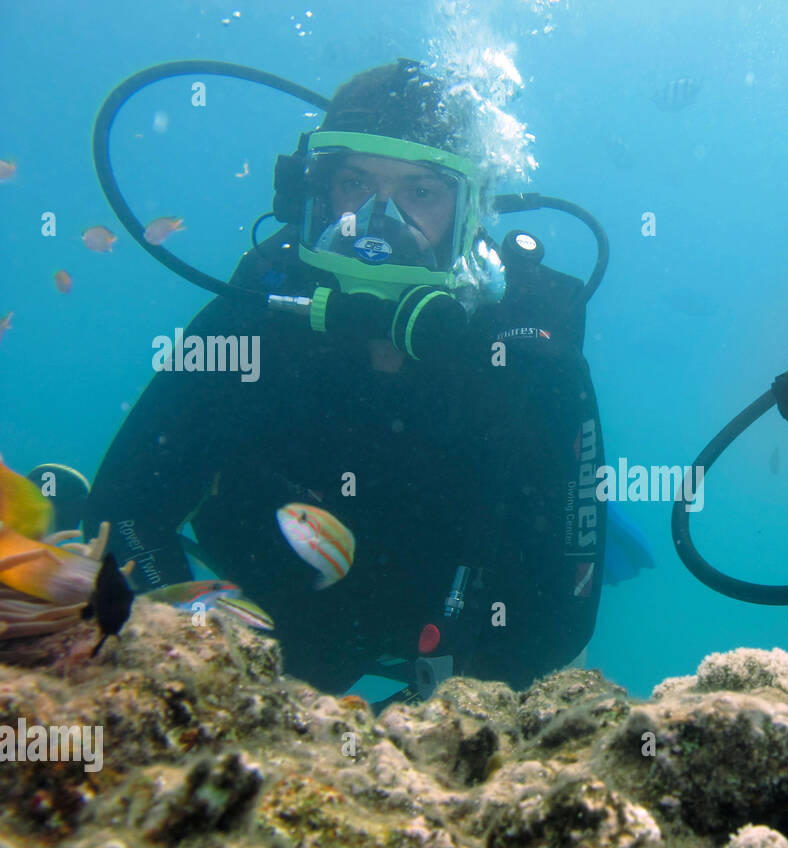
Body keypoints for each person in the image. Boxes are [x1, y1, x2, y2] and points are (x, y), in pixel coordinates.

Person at [84, 60, 606, 698]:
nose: (377, 224)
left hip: (443, 655)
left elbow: (556, 626)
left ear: (470, 211)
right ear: (314, 190)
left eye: (421, 192)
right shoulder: (258, 313)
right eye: (355, 181)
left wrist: (431, 727)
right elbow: (123, 513)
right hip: (266, 628)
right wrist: (202, 660)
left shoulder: (527, 357)